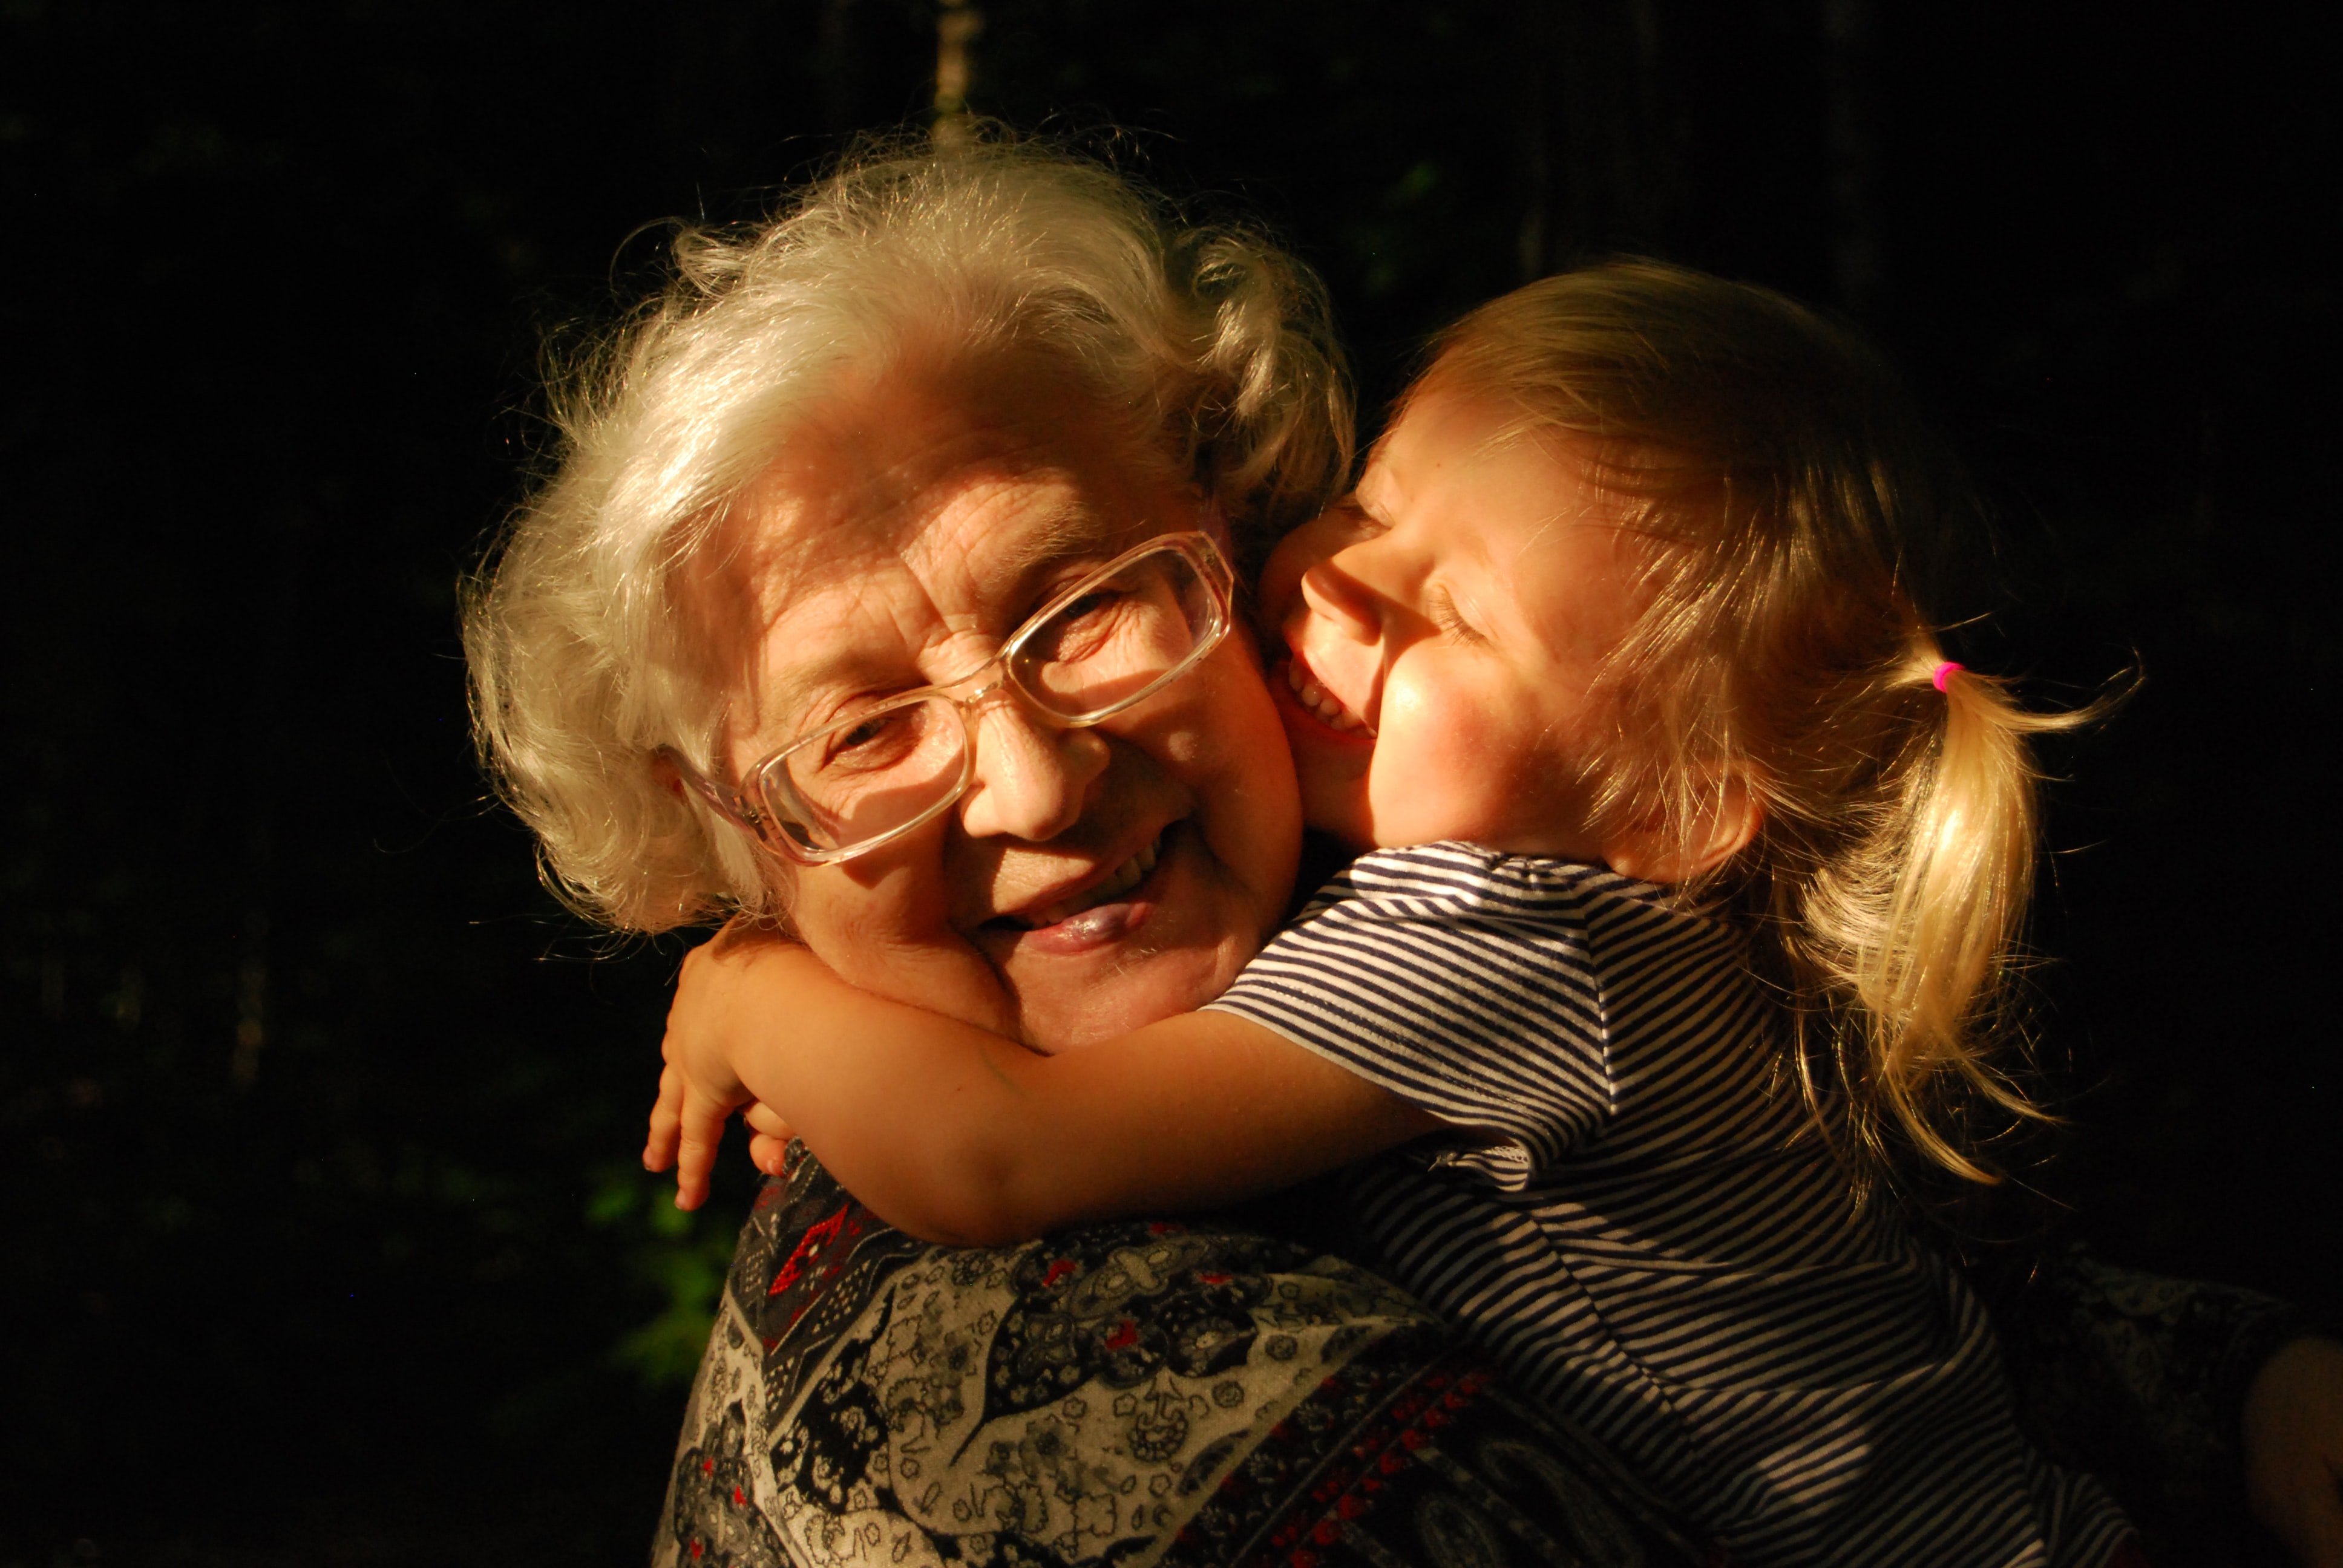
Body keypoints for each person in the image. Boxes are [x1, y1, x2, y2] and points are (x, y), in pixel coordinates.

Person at [464, 132, 2343, 1567]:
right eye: (863, 729)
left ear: (1215, 524)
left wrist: (751, 992)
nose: (1036, 787)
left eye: (1086, 604)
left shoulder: (1473, 927)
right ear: (724, 838)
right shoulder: (1039, 1405)